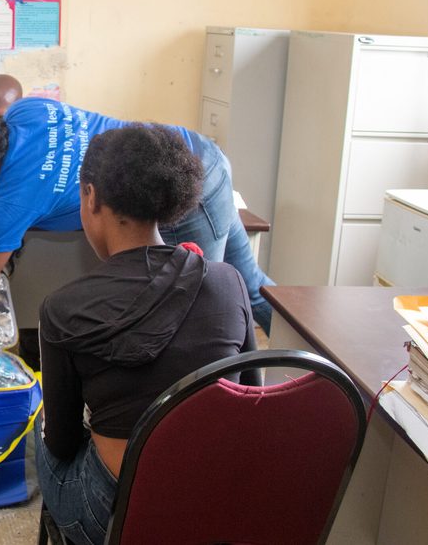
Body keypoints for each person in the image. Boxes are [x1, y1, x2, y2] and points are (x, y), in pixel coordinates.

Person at [33, 125, 261, 544]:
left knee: (41, 423)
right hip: (211, 503)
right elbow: (251, 400)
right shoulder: (228, 282)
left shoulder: (62, 308)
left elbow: (62, 445)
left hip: (117, 517)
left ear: (91, 196)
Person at [0, 96, 275, 337]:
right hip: (197, 152)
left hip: (189, 189)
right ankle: (295, 359)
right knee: (250, 286)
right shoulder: (27, 109)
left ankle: (222, 402)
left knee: (199, 316)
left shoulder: (14, 200)